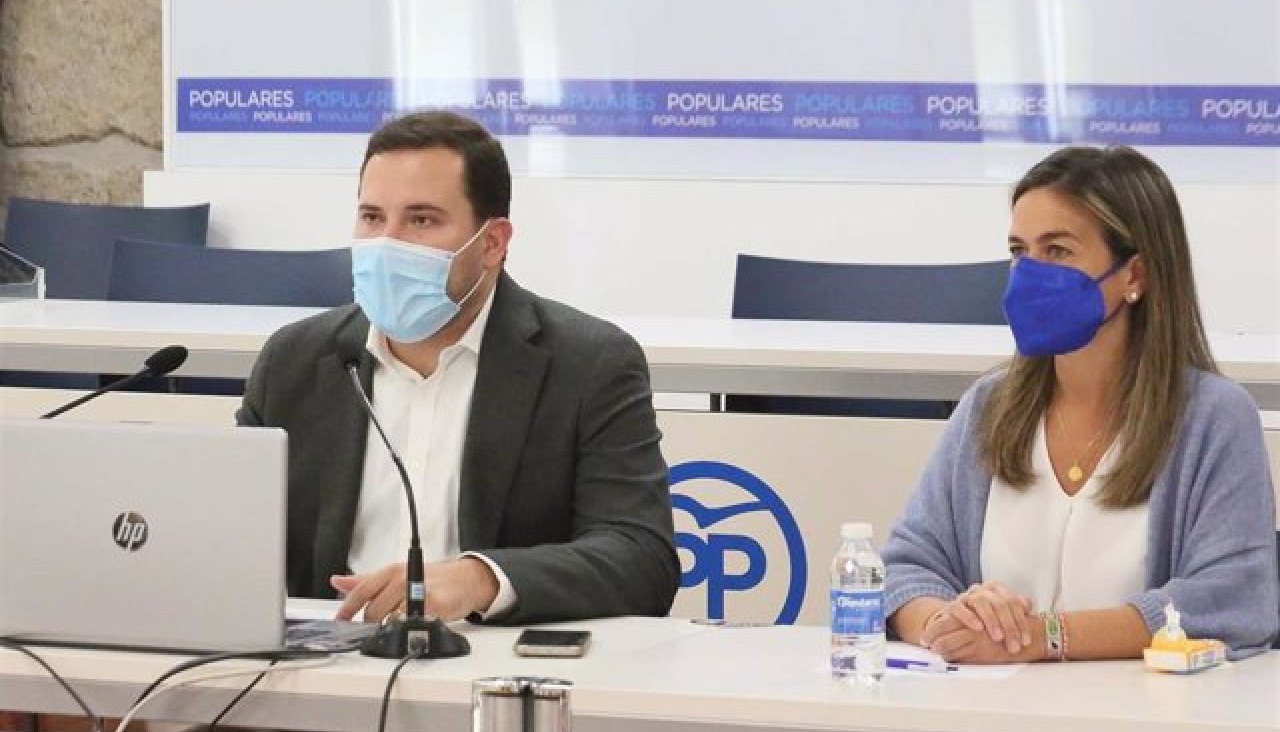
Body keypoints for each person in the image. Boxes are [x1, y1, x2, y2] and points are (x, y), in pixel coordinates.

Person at [237, 111, 679, 625]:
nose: (388, 243)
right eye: (373, 218)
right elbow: (231, 537)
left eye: (421, 220)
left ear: (492, 243)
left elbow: (640, 558)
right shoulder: (294, 360)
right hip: (326, 653)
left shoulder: (589, 364)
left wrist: (482, 579)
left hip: (491, 654)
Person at [883, 145, 1279, 663]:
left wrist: (1042, 637)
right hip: (991, 701)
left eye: (1058, 250)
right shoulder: (989, 406)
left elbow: (1234, 601)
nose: (1031, 273)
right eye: (1019, 251)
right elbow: (906, 568)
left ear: (1135, 275)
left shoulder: (1213, 418)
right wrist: (949, 624)